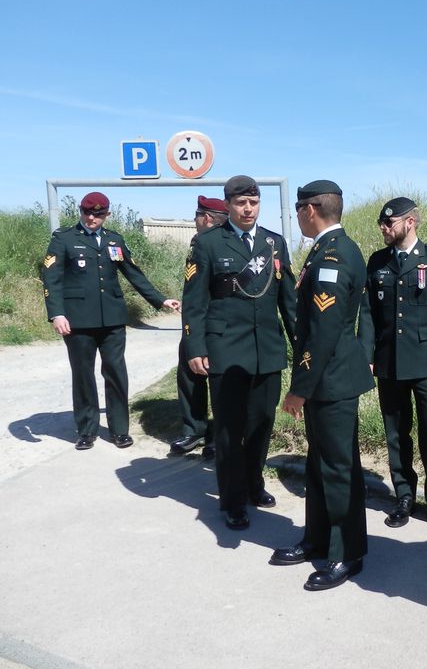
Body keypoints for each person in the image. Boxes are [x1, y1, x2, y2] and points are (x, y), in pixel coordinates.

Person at [273, 181, 375, 591]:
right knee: (319, 465)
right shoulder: (323, 249)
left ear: (311, 209)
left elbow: (323, 330)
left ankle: (346, 553)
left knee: (337, 469)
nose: (297, 215)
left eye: (299, 208)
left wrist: (300, 386)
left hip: (329, 380)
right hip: (324, 379)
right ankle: (316, 539)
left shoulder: (334, 254)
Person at [182, 175, 297, 531]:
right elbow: (195, 302)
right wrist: (195, 346)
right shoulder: (208, 243)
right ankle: (232, 499)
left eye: (254, 202)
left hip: (267, 350)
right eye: (241, 203)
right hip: (226, 349)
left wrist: (302, 346)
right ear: (228, 204)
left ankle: (253, 483)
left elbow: (288, 301)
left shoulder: (273, 244)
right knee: (230, 430)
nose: (248, 209)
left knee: (262, 423)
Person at [42, 191, 180, 450]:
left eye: (98, 213)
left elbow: (134, 274)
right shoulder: (64, 239)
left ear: (107, 214)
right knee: (83, 375)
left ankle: (119, 430)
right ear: (80, 212)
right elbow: (52, 279)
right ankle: (86, 430)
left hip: (113, 321)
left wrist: (160, 300)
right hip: (78, 321)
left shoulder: (114, 240)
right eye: (87, 212)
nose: (91, 217)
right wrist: (57, 314)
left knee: (116, 373)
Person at [357, 197, 427, 533]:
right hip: (389, 362)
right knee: (395, 433)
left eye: (390, 223)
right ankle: (403, 495)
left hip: (426, 363)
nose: (384, 229)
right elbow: (368, 313)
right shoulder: (378, 262)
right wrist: (368, 356)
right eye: (382, 224)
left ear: (411, 222)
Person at [170, 195, 228, 458]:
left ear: (206, 218)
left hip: (218, 324)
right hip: (198, 320)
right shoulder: (202, 242)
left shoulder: (212, 243)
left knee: (220, 382)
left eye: (196, 215)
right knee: (190, 373)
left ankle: (213, 434)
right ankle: (195, 430)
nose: (195, 220)